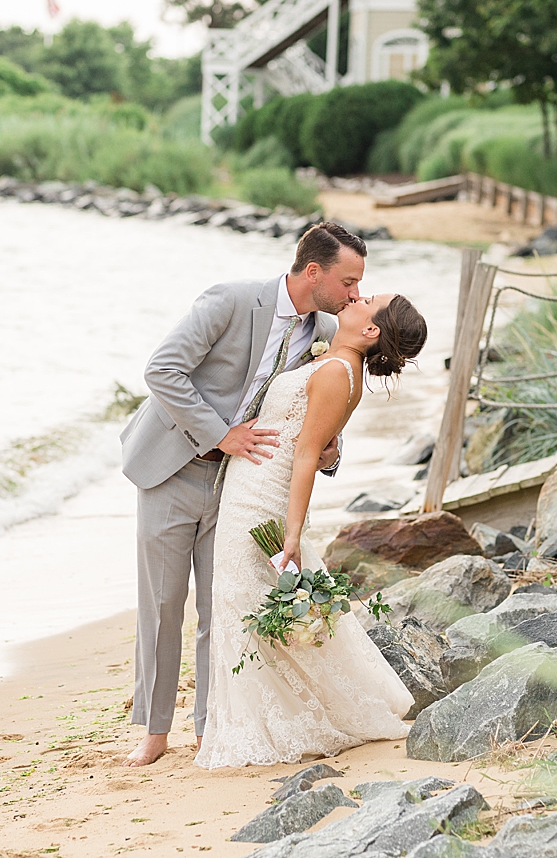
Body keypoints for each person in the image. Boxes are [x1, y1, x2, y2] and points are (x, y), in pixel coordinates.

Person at [119, 222, 368, 767]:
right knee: (162, 605)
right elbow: (162, 370)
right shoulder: (230, 301)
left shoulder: (326, 330)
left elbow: (319, 401)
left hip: (239, 487)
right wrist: (220, 433)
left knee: (221, 607)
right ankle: (156, 733)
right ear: (313, 272)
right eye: (348, 282)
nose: (354, 295)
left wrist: (330, 448)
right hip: (173, 469)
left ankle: (209, 729)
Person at [197, 293, 428, 768]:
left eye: (368, 300)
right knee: (248, 604)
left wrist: (292, 535)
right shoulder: (341, 368)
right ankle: (278, 714)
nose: (357, 297)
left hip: (261, 494)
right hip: (255, 483)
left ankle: (279, 723)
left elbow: (306, 455)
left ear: (370, 332)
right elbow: (314, 440)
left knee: (244, 603)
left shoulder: (333, 372)